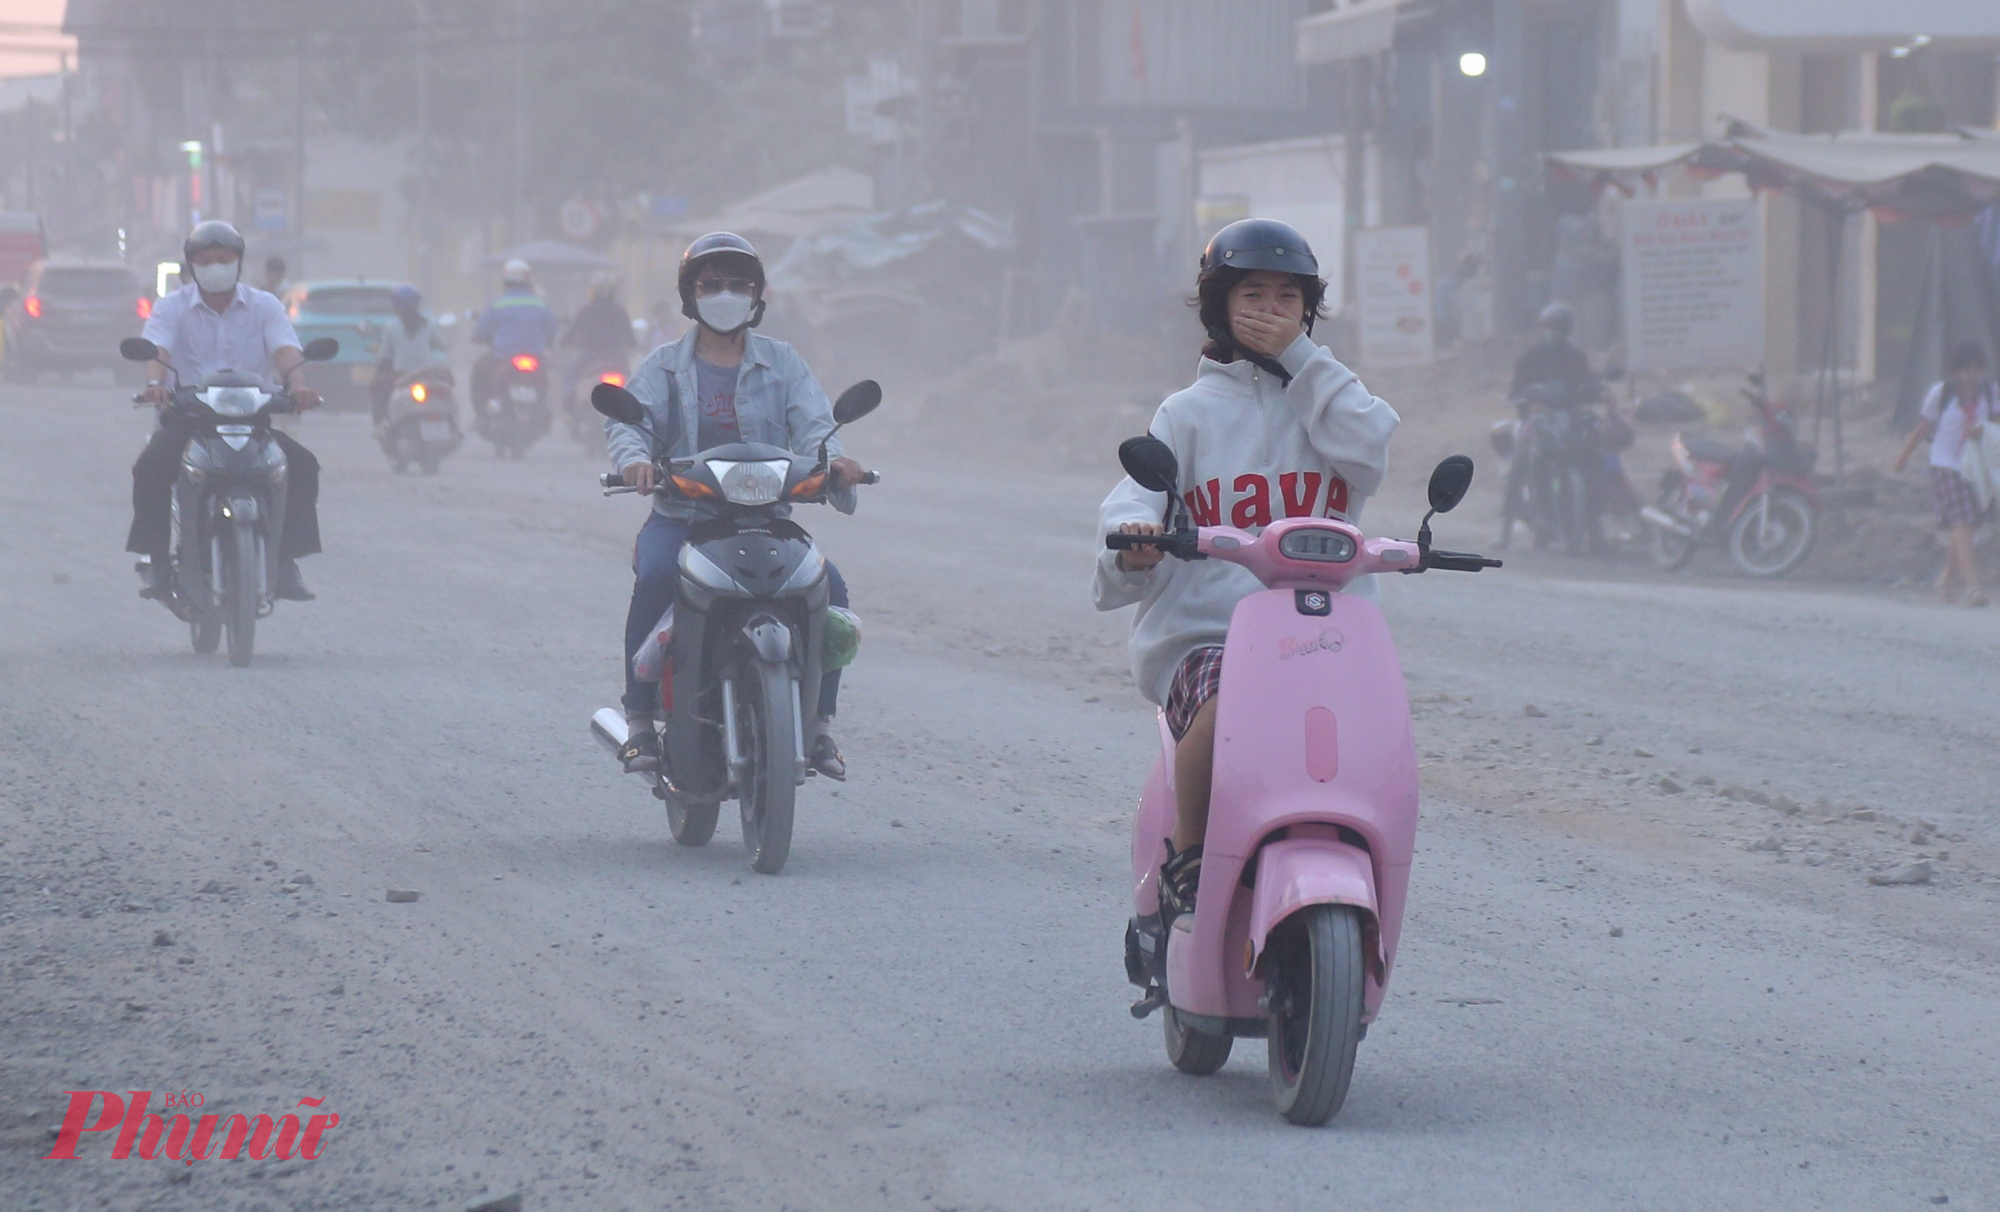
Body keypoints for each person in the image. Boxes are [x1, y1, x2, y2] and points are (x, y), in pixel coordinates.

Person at [1092, 218, 1399, 917]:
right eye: (1252, 294)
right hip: (1212, 635)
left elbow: (1372, 451)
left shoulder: (1332, 403)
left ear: (1308, 312)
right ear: (1218, 308)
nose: (1269, 310)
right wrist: (1134, 536)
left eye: (1287, 298)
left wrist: (1304, 363)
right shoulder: (1186, 413)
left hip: (1328, 630)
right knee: (1232, 690)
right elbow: (1133, 499)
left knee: (1381, 718)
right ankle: (1191, 856)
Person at [605, 232, 871, 779]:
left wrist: (835, 462)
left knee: (831, 588)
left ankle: (819, 724)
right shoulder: (662, 367)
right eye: (711, 284)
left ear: (756, 296)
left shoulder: (784, 362)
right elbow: (630, 423)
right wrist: (636, 461)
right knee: (656, 575)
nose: (725, 294)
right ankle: (637, 720)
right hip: (683, 519)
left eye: (737, 284)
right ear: (690, 295)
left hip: (766, 520)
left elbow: (818, 425)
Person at [129, 221, 322, 601]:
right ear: (192, 266)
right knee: (150, 467)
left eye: (224, 258)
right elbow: (158, 350)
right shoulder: (172, 306)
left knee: (301, 465)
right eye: (206, 259)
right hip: (188, 419)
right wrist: (156, 385)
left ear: (238, 262)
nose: (216, 265)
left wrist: (298, 387)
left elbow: (285, 349)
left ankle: (285, 564)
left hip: (252, 420)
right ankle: (157, 562)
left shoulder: (265, 305)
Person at [1896, 339, 1997, 606]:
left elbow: (1995, 426)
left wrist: (1982, 431)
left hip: (1975, 465)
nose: (1970, 375)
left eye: (1975, 369)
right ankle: (1973, 588)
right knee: (1962, 521)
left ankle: (1946, 577)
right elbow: (1922, 428)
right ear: (1955, 370)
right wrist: (1903, 457)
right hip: (1945, 464)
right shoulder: (1940, 394)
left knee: (1968, 523)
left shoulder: (1989, 392)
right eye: (1965, 369)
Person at [470, 258, 556, 409]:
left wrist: (477, 337)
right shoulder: (539, 304)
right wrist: (548, 342)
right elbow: (551, 329)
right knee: (546, 376)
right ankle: (543, 403)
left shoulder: (498, 304)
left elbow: (481, 329)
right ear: (528, 281)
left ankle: (481, 410)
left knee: (479, 370)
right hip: (535, 355)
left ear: (505, 281)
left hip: (503, 355)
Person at [369, 284, 450, 426]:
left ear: (396, 306)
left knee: (377, 386)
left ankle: (380, 424)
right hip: (426, 375)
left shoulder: (391, 326)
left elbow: (383, 355)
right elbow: (442, 345)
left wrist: (380, 363)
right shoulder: (429, 324)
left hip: (400, 376)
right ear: (418, 304)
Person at [560, 271, 639, 399]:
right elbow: (630, 340)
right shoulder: (620, 312)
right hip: (617, 357)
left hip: (590, 356)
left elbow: (569, 336)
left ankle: (568, 405)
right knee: (634, 383)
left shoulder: (585, 311)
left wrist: (565, 343)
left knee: (570, 376)